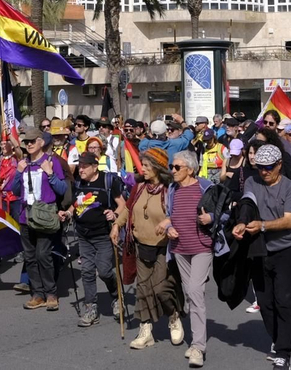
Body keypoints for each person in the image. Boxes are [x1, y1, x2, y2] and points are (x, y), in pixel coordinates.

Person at [234, 143, 291, 370]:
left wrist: (263, 225)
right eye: (261, 167)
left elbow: (289, 221)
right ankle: (279, 338)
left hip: (285, 249)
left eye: (269, 167)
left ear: (279, 165)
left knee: (283, 299)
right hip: (259, 249)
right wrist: (242, 223)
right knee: (264, 302)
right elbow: (246, 205)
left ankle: (284, 352)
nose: (264, 172)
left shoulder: (290, 188)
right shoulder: (253, 181)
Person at [7, 125, 69, 312]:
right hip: (26, 216)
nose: (29, 145)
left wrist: (49, 173)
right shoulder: (23, 163)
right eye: (26, 142)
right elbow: (16, 191)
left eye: (32, 141)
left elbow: (62, 189)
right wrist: (18, 172)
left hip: (45, 216)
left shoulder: (51, 161)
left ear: (41, 143)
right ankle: (37, 294)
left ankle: (51, 293)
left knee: (43, 254)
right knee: (30, 256)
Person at [167, 149, 218, 367]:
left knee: (196, 292)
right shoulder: (172, 189)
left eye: (177, 167)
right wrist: (168, 226)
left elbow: (224, 212)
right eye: (172, 167)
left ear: (190, 169)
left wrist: (211, 217)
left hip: (202, 247)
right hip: (179, 248)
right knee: (190, 293)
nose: (173, 170)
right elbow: (168, 214)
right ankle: (195, 338)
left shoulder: (205, 186)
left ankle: (198, 347)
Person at [127, 147, 180, 349]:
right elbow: (129, 208)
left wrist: (169, 223)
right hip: (142, 244)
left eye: (147, 166)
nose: (143, 169)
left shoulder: (170, 190)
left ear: (157, 168)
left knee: (160, 288)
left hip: (163, 246)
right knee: (143, 288)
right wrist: (116, 224)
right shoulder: (139, 187)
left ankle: (173, 317)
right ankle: (146, 329)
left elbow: (178, 213)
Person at [69, 151, 127, 329]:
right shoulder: (78, 182)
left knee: (104, 271)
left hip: (103, 235)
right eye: (80, 166)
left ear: (95, 167)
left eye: (85, 166)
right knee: (86, 271)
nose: (81, 169)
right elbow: (75, 203)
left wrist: (114, 214)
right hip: (84, 235)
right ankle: (90, 308)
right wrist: (68, 212)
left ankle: (116, 296)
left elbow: (123, 204)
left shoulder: (107, 182)